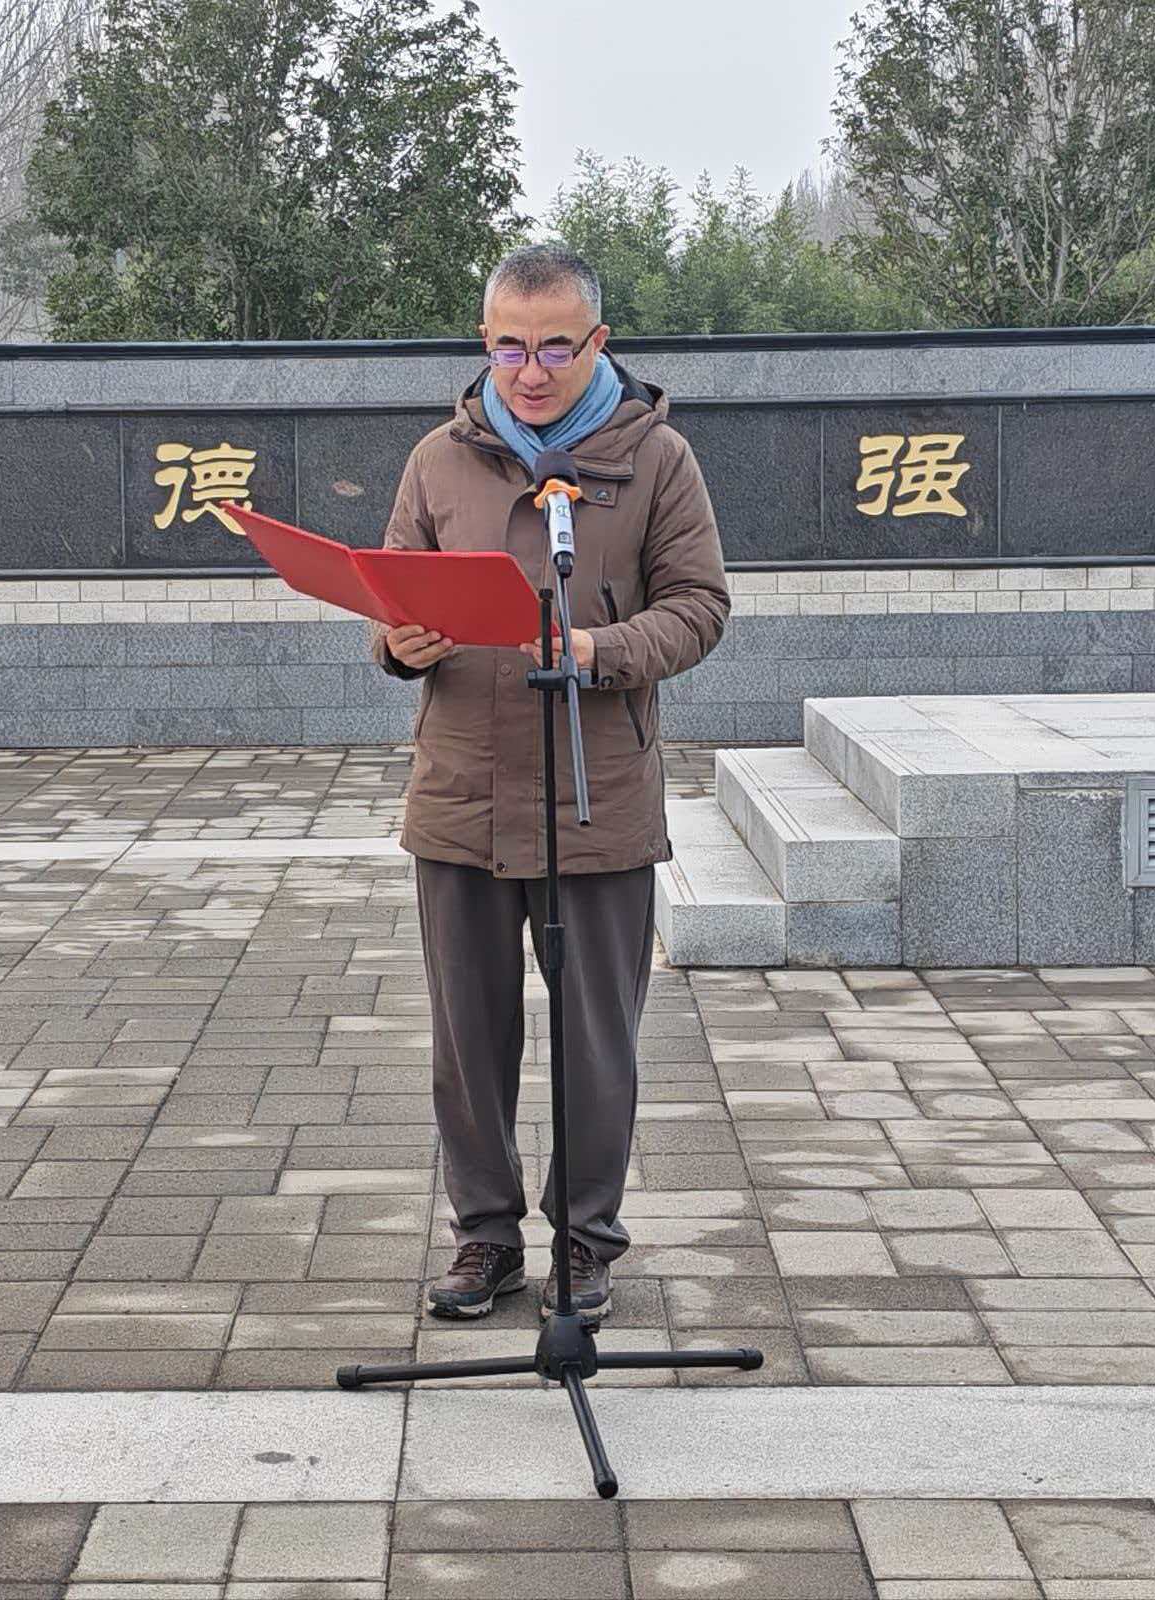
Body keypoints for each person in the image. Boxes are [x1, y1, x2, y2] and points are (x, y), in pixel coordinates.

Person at [368, 244, 730, 1323]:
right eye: (510, 347)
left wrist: (599, 649)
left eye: (557, 347)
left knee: (596, 1041)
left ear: (598, 343)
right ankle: (485, 1237)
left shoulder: (657, 458)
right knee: (467, 1042)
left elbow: (700, 606)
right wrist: (400, 643)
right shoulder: (438, 459)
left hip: (596, 794)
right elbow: (391, 595)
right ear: (485, 342)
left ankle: (585, 1237)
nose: (531, 371)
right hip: (462, 796)